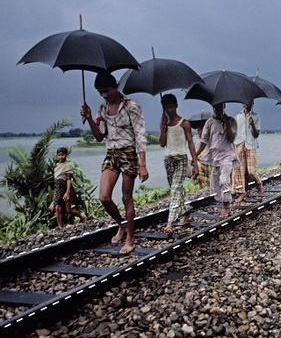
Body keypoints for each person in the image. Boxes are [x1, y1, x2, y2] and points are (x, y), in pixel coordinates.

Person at [80, 71, 149, 255]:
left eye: (107, 90)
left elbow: (140, 136)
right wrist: (88, 119)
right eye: (100, 92)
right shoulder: (102, 109)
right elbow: (99, 137)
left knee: (127, 198)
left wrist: (143, 164)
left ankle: (130, 238)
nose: (104, 95)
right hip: (111, 153)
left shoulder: (131, 106)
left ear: (115, 87)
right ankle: (122, 224)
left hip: (128, 153)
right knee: (104, 197)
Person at [159, 94, 199, 234]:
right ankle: (187, 214)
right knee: (177, 189)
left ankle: (170, 223)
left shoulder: (184, 123)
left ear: (176, 106)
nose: (169, 110)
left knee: (175, 189)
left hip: (181, 159)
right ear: (163, 108)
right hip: (168, 159)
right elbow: (162, 143)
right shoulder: (164, 123)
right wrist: (163, 126)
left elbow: (191, 143)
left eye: (171, 106)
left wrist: (195, 163)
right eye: (166, 107)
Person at [196, 103, 239, 219]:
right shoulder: (210, 122)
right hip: (215, 156)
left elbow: (232, 138)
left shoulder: (231, 120)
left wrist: (227, 124)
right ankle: (224, 201)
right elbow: (204, 140)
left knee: (224, 180)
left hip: (227, 154)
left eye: (220, 107)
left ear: (224, 107)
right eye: (215, 107)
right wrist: (196, 155)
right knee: (215, 183)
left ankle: (226, 206)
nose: (217, 109)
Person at [232, 101, 264, 203]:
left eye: (248, 103)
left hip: (251, 145)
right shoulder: (238, 116)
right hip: (239, 144)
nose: (246, 104)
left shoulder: (256, 116)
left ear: (252, 104)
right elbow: (234, 132)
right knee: (239, 170)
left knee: (251, 170)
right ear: (242, 104)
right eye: (244, 103)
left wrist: (252, 124)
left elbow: (256, 134)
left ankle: (259, 183)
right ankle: (242, 192)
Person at [52, 147, 86, 228]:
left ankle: (82, 217)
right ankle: (60, 226)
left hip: (66, 188)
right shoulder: (56, 166)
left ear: (66, 155)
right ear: (57, 156)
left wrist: (67, 192)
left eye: (63, 155)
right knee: (57, 208)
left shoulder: (67, 166)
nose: (61, 157)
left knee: (68, 210)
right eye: (59, 155)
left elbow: (68, 180)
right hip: (58, 189)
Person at [193, 122, 212, 188]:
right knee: (199, 172)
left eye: (200, 130)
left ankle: (210, 187)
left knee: (210, 176)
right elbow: (194, 150)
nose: (199, 132)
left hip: (208, 159)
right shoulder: (195, 138)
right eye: (198, 130)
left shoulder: (208, 138)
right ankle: (201, 187)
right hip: (199, 159)